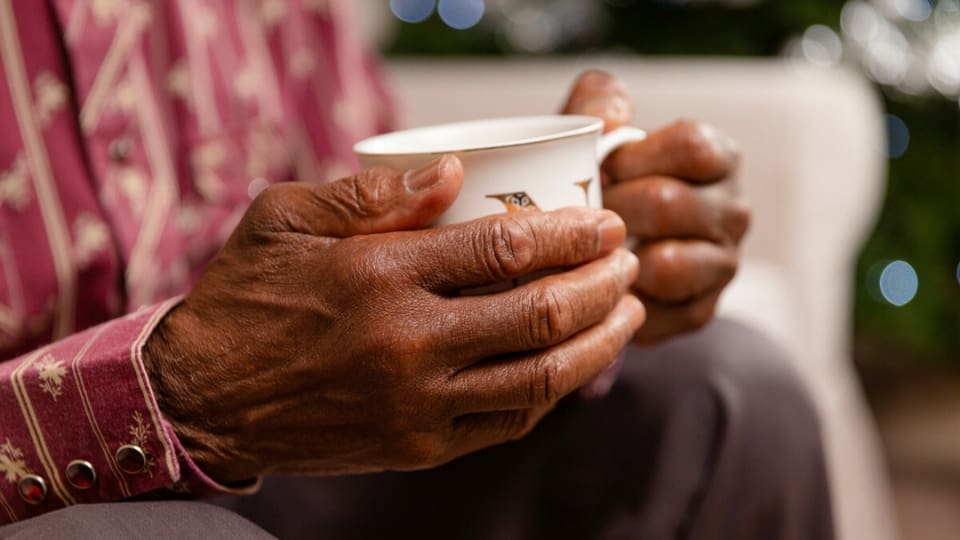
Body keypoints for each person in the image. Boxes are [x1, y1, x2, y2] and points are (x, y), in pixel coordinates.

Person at [0, 1, 833, 538]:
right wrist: (178, 393)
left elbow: (359, 221)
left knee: (732, 398)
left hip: (293, 472)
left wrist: (567, 252)